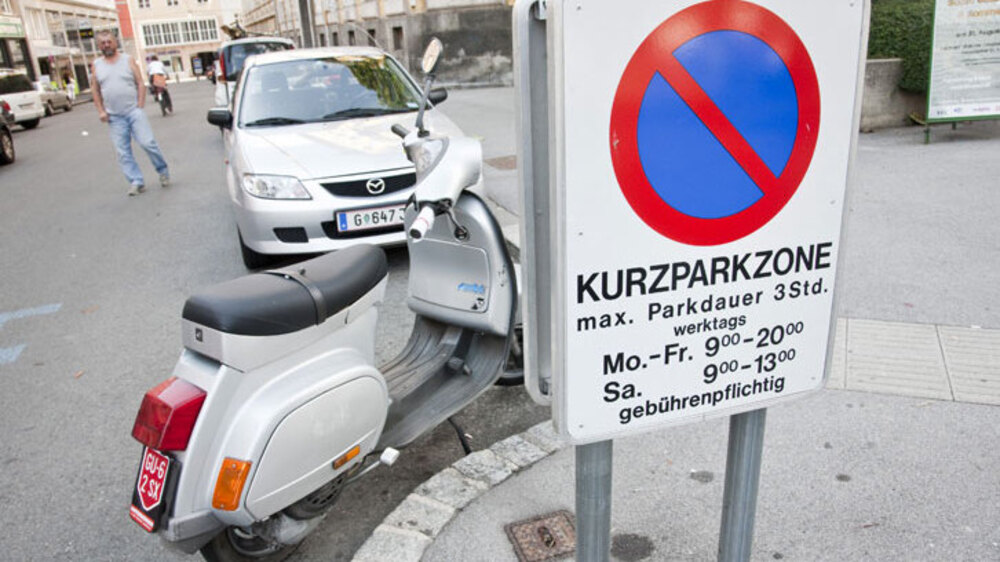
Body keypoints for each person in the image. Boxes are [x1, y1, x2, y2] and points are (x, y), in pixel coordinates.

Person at [91, 31, 170, 196]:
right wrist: (101, 111)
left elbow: (140, 82)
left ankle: (162, 171)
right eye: (103, 43)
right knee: (123, 152)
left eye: (109, 41)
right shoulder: (97, 65)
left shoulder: (128, 60)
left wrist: (140, 104)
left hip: (134, 111)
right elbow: (95, 90)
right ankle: (136, 181)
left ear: (115, 42)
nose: (106, 45)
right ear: (99, 46)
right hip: (114, 117)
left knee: (148, 143)